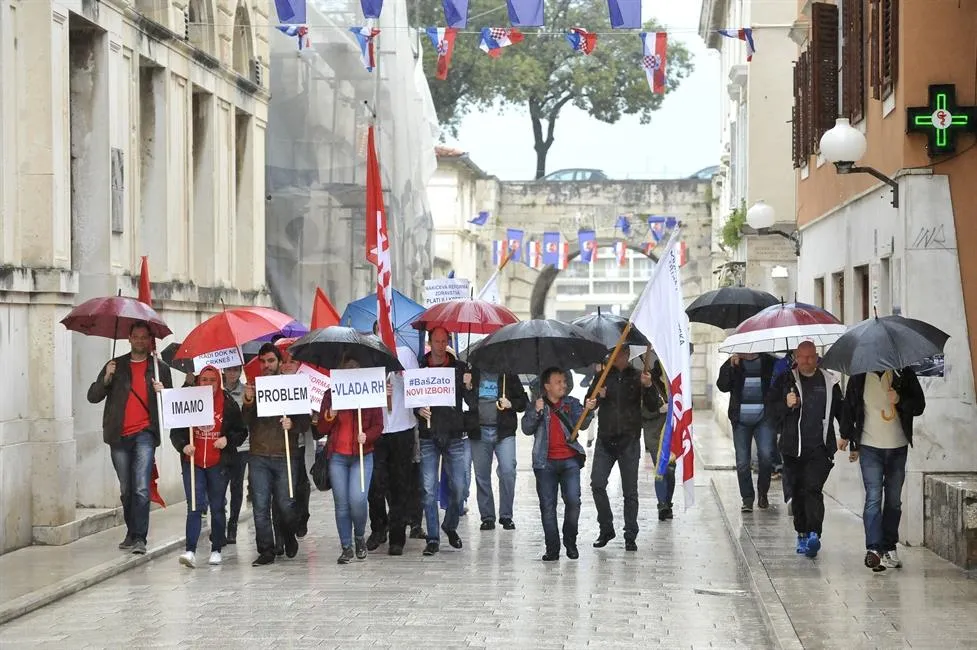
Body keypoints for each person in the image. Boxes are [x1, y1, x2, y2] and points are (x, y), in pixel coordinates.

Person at [87, 321, 171, 555]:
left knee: (141, 487)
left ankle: (140, 538)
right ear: (129, 338)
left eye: (145, 337)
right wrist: (106, 378)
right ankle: (131, 531)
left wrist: (162, 392)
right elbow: (93, 396)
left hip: (145, 434)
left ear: (149, 340)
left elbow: (172, 406)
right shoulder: (116, 365)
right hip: (119, 435)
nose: (140, 341)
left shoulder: (159, 368)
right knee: (126, 488)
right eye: (136, 337)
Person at [840, 367, 925, 571]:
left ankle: (889, 545)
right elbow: (849, 409)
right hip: (870, 447)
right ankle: (874, 550)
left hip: (898, 446)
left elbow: (919, 405)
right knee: (874, 496)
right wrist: (847, 437)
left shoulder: (903, 374)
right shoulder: (859, 377)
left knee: (894, 500)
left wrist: (899, 399)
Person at [765, 341, 843, 558]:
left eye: (811, 357)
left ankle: (814, 534)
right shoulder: (786, 380)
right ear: (796, 358)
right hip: (792, 448)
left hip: (820, 448)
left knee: (813, 489)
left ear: (817, 356)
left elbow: (840, 409)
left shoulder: (829, 381)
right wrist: (785, 403)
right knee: (798, 491)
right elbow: (771, 412)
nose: (807, 361)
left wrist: (847, 436)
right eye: (803, 357)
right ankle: (801, 532)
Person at [170, 365, 247, 568]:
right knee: (194, 506)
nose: (208, 384)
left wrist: (227, 440)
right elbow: (175, 430)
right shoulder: (188, 399)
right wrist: (183, 446)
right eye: (204, 380)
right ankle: (190, 550)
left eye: (212, 380)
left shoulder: (229, 404)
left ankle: (216, 548)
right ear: (198, 381)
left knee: (217, 506)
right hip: (193, 463)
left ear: (218, 382)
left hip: (218, 464)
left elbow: (241, 432)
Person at [241, 343, 311, 566]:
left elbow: (305, 420)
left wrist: (293, 423)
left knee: (286, 504)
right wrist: (248, 401)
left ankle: (289, 535)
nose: (266, 365)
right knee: (260, 506)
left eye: (270, 361)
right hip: (259, 455)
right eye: (263, 361)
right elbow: (245, 423)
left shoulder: (292, 385)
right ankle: (266, 550)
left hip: (285, 454)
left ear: (279, 362)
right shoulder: (254, 387)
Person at [521, 367, 596, 561]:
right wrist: (536, 412)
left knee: (573, 501)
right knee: (548, 506)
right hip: (544, 463)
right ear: (547, 386)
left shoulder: (571, 403)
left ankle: (570, 540)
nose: (563, 385)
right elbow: (526, 429)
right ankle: (552, 548)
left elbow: (583, 423)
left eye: (564, 381)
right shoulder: (537, 404)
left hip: (570, 460)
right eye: (558, 382)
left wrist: (588, 410)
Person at [586, 353, 659, 552]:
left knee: (630, 491)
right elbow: (589, 401)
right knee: (597, 484)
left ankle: (630, 534)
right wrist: (594, 397)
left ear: (627, 356)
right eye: (613, 355)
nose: (617, 358)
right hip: (605, 439)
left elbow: (654, 406)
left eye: (621, 354)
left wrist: (648, 386)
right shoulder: (602, 376)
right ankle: (606, 527)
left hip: (629, 440)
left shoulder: (638, 375)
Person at [316, 358, 384, 564]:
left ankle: (359, 537)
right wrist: (330, 415)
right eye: (347, 370)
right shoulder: (330, 394)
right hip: (337, 456)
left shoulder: (369, 393)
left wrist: (368, 436)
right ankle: (346, 546)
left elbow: (378, 425)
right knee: (342, 504)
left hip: (363, 456)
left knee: (358, 500)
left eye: (356, 369)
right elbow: (320, 429)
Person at [415, 327, 476, 557]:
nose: (440, 345)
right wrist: (418, 410)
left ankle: (449, 525)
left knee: (459, 488)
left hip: (454, 435)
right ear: (430, 342)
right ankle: (432, 538)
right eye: (436, 341)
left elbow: (471, 403)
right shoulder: (421, 368)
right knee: (429, 490)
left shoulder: (460, 368)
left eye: (444, 341)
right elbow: (413, 399)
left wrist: (468, 385)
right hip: (429, 436)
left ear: (448, 342)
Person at [366, 327, 421, 556]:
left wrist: (401, 378)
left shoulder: (406, 354)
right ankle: (379, 527)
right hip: (376, 429)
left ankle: (398, 536)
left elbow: (419, 388)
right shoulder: (368, 353)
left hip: (402, 427)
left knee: (400, 483)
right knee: (375, 483)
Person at [468, 367, 528, 531]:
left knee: (508, 471)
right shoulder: (472, 374)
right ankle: (487, 517)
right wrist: (466, 387)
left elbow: (523, 402)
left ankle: (506, 515)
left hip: (504, 431)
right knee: (482, 476)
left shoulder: (508, 374)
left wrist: (511, 403)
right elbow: (463, 401)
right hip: (478, 431)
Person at [717, 351, 778, 512]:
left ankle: (763, 493)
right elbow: (722, 386)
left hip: (764, 418)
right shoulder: (733, 362)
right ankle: (747, 499)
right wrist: (731, 366)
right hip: (741, 420)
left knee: (766, 456)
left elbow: (778, 386)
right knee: (742, 462)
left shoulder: (769, 361)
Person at [278, 351, 312, 543]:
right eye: (285, 362)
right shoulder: (274, 384)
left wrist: (295, 424)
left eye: (292, 362)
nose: (288, 365)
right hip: (279, 447)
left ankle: (302, 515)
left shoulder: (304, 385)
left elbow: (306, 421)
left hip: (298, 444)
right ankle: (287, 527)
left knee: (300, 484)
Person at [222, 364, 248, 545]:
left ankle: (233, 525)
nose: (232, 373)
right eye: (229, 369)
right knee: (218, 488)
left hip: (242, 446)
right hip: (221, 447)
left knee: (237, 488)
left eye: (236, 369)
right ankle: (219, 524)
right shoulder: (216, 389)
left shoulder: (246, 390)